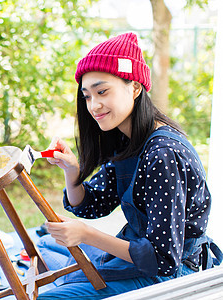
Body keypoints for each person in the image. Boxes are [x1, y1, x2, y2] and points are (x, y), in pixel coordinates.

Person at [36, 32, 222, 299]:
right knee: (45, 243)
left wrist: (86, 235)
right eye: (87, 96)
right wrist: (72, 171)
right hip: (136, 254)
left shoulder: (163, 154)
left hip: (168, 273)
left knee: (47, 296)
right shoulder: (128, 140)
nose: (93, 105)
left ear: (135, 88)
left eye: (102, 91)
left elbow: (162, 258)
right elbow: (92, 204)